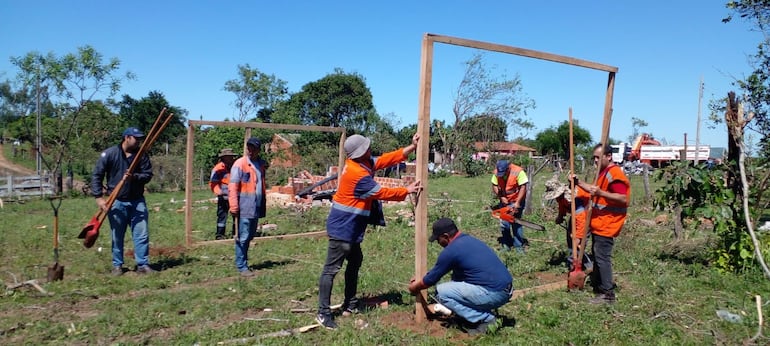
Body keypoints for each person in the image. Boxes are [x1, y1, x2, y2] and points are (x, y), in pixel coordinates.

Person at [316, 133, 423, 330]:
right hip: (343, 227)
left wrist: (411, 147)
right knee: (331, 270)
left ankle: (350, 303)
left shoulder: (362, 162)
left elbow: (383, 160)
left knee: (355, 262)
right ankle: (323, 313)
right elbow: (380, 192)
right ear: (360, 152)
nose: (370, 147)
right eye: (366, 146)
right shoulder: (357, 174)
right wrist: (406, 190)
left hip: (352, 227)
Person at [408, 218, 513, 336]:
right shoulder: (468, 240)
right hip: (506, 289)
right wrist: (423, 278)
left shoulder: (451, 251)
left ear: (446, 236)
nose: (438, 242)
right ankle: (477, 311)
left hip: (495, 293)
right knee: (456, 278)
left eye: (438, 239)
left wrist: (415, 287)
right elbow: (438, 273)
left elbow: (431, 280)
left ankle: (486, 319)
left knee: (442, 292)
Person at [91, 127, 156, 276]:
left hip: (137, 201)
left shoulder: (142, 155)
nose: (139, 141)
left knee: (141, 234)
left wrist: (134, 177)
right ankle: (117, 265)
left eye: (140, 138)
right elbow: (96, 175)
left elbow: (148, 175)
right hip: (116, 201)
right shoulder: (109, 154)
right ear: (127, 138)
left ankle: (142, 265)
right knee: (117, 235)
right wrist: (99, 198)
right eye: (136, 138)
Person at [573, 144, 630, 304]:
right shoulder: (603, 173)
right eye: (594, 158)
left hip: (608, 223)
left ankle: (608, 294)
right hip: (599, 223)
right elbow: (593, 189)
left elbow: (623, 198)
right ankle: (599, 285)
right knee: (598, 255)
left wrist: (601, 193)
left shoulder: (614, 173)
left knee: (602, 257)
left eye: (598, 157)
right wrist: (578, 182)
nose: (595, 161)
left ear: (609, 156)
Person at [228, 138, 268, 277]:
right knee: (243, 236)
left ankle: (243, 262)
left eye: (253, 148)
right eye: (249, 147)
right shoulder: (240, 164)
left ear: (258, 150)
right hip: (244, 205)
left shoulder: (260, 164)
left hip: (256, 205)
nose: (250, 150)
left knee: (250, 235)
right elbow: (232, 186)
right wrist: (233, 205)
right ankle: (241, 266)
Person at [542, 176, 593, 272]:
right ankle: (572, 264)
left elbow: (582, 219)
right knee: (570, 241)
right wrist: (560, 216)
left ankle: (586, 267)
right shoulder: (561, 197)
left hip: (586, 217)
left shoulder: (574, 198)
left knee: (578, 244)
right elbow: (562, 205)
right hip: (576, 216)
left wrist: (578, 237)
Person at [491, 159, 529, 252]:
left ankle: (518, 246)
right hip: (504, 200)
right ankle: (506, 244)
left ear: (508, 169)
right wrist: (501, 197)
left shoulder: (518, 171)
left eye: (504, 172)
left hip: (516, 199)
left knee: (516, 222)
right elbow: (494, 184)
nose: (502, 175)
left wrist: (517, 203)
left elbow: (523, 187)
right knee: (504, 223)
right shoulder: (497, 172)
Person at [210, 148, 238, 240]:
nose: (229, 159)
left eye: (231, 157)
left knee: (236, 215)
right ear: (223, 158)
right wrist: (219, 192)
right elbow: (213, 183)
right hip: (223, 197)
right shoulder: (218, 168)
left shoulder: (237, 166)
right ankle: (220, 235)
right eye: (227, 157)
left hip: (236, 197)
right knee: (222, 216)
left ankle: (236, 233)